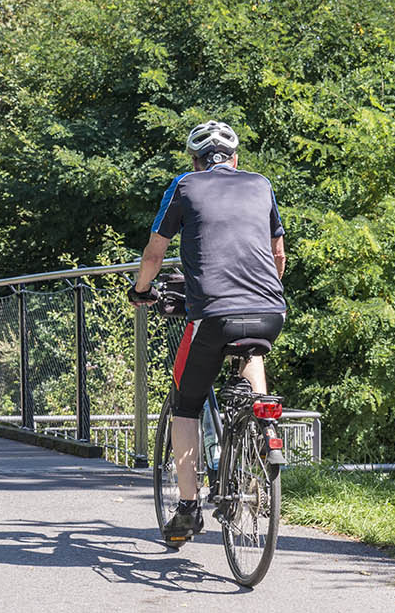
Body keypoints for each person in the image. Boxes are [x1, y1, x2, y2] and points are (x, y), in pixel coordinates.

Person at [130, 120, 286, 545]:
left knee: (186, 404)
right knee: (252, 353)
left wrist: (142, 290)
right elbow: (277, 253)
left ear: (196, 161)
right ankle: (260, 419)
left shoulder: (185, 185)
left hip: (213, 314)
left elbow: (155, 252)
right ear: (235, 159)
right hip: (270, 309)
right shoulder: (261, 184)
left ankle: (187, 507)